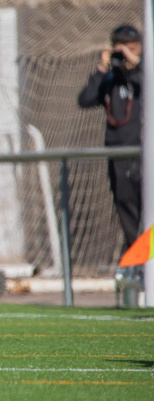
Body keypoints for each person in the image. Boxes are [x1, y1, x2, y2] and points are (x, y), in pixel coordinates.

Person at [78, 24, 143, 252]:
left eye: (130, 45)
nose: (124, 50)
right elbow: (85, 100)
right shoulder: (110, 77)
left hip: (144, 154)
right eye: (120, 45)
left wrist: (135, 63)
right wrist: (102, 69)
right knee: (127, 210)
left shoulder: (144, 72)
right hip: (119, 155)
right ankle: (136, 261)